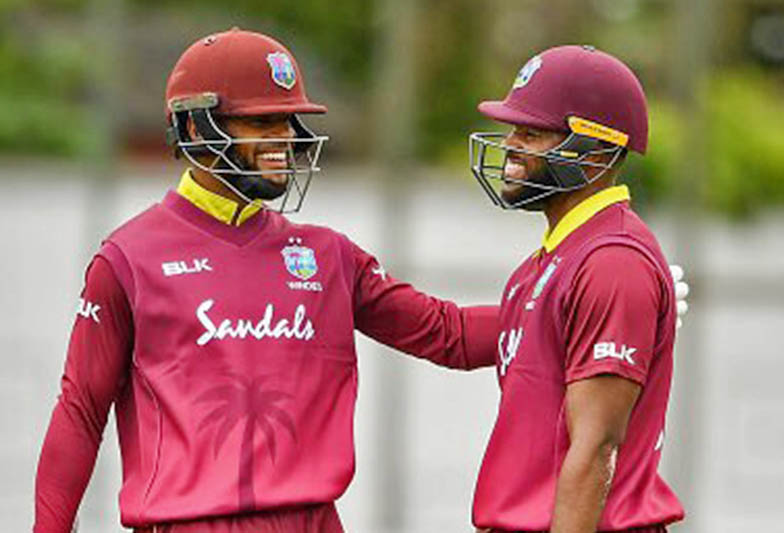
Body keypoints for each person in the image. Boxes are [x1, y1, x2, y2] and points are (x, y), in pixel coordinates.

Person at [32, 28, 501, 533]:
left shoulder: (328, 255)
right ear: (194, 129)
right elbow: (80, 412)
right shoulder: (128, 258)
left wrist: (556, 300)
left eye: (287, 120)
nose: (285, 138)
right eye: (260, 122)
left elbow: (448, 335)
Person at [468, 45, 685, 532]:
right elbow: (453, 333)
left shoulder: (612, 262)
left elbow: (596, 450)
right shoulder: (556, 256)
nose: (510, 146)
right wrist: (346, 280)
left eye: (532, 133)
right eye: (513, 130)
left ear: (595, 154)